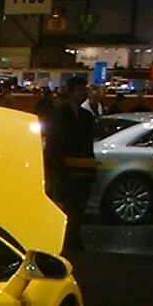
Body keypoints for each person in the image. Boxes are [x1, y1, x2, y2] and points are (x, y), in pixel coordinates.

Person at [43, 75, 96, 253]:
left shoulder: (87, 116)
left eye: (84, 90)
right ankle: (63, 241)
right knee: (65, 206)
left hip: (81, 167)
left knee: (78, 206)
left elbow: (89, 144)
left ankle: (74, 240)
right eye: (80, 90)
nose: (83, 94)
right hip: (64, 167)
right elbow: (54, 142)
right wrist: (53, 168)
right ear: (71, 92)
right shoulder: (59, 114)